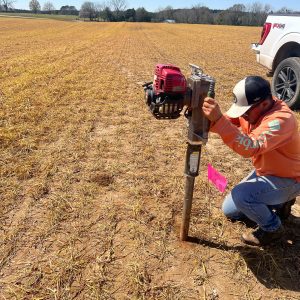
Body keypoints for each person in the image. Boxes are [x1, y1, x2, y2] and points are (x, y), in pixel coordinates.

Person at [202, 76, 300, 246]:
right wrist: (204, 117)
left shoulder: (281, 120)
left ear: (263, 104)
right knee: (230, 210)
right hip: (266, 171)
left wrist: (218, 120)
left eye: (246, 111)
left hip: (289, 178)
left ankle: (272, 228)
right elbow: (228, 122)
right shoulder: (252, 112)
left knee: (243, 196)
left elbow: (250, 147)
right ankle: (279, 203)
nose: (244, 116)